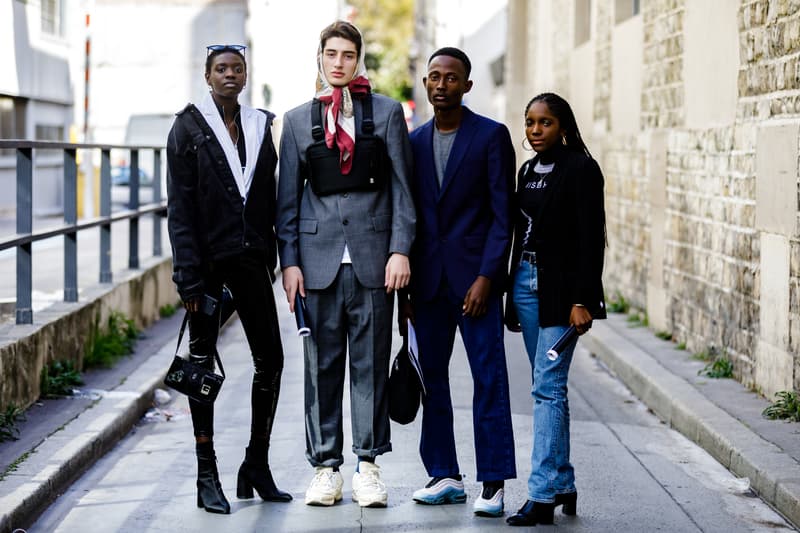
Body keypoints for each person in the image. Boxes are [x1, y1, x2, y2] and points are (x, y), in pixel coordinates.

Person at [275, 21, 415, 508]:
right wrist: (289, 264)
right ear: (320, 58)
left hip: (375, 261)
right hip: (317, 264)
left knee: (371, 367)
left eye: (348, 55)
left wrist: (401, 249)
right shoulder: (295, 122)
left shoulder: (388, 113)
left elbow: (402, 189)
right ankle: (325, 468)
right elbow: (286, 203)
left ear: (359, 60)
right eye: (331, 54)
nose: (339, 62)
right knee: (320, 368)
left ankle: (369, 466)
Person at [166, 44, 291, 514]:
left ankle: (255, 463)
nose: (230, 76)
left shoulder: (260, 125)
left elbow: (269, 193)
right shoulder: (187, 127)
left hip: (252, 260)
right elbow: (179, 209)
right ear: (207, 74)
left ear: (245, 74)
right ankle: (206, 474)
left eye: (237, 68)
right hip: (208, 267)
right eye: (221, 69)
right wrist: (188, 279)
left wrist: (273, 253)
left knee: (272, 361)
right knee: (201, 367)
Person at [404, 47, 516, 518]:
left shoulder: (491, 136)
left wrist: (488, 277)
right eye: (434, 77)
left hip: (476, 286)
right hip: (427, 284)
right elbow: (406, 216)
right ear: (426, 84)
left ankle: (493, 483)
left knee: (488, 379)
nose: (441, 84)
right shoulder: (412, 143)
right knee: (433, 382)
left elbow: (502, 216)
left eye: (451, 78)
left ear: (467, 85)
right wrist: (405, 288)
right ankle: (444, 474)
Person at [504, 92, 607, 526]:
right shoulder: (527, 171)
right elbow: (519, 235)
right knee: (548, 386)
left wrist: (583, 300)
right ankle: (563, 480)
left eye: (544, 123)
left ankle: (542, 494)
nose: (535, 130)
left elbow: (590, 238)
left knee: (546, 388)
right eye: (529, 122)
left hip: (560, 293)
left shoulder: (581, 169)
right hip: (525, 286)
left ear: (562, 126)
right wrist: (511, 291)